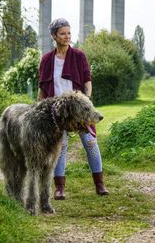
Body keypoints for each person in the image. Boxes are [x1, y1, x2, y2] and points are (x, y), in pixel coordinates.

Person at [38, 18, 109, 200]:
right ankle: (59, 188)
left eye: (69, 33)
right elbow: (42, 88)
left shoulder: (79, 55)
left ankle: (100, 185)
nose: (67, 36)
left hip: (78, 109)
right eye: (62, 33)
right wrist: (40, 110)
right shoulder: (46, 59)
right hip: (56, 111)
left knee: (90, 143)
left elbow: (87, 81)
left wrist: (85, 102)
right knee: (60, 147)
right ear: (54, 36)